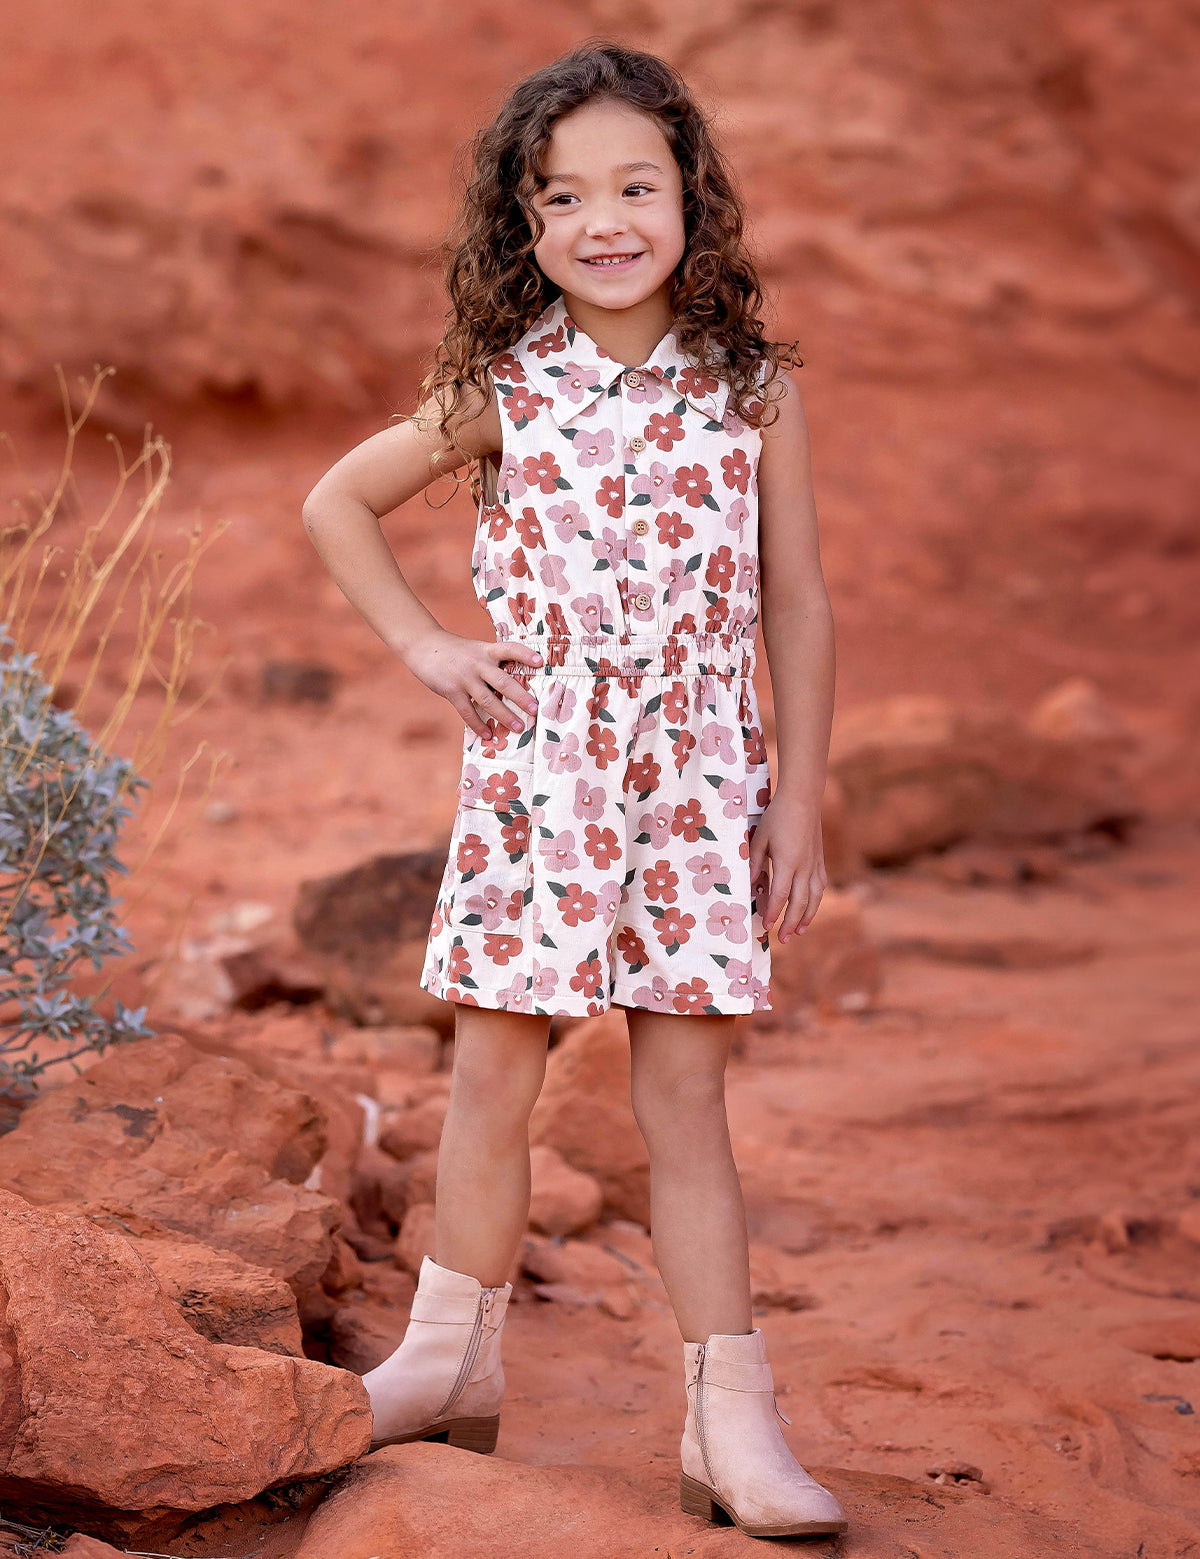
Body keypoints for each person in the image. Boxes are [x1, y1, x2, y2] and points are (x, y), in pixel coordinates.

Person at [301, 41, 845, 1540]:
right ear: (523, 228)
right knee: (494, 1074)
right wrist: (423, 644)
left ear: (690, 199)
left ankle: (730, 1421)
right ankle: (441, 1365)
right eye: (563, 198)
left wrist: (797, 799)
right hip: (541, 777)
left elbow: (796, 602)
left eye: (635, 185)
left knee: (684, 1097)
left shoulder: (749, 393)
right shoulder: (504, 391)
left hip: (696, 782)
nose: (605, 221)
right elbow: (335, 500)